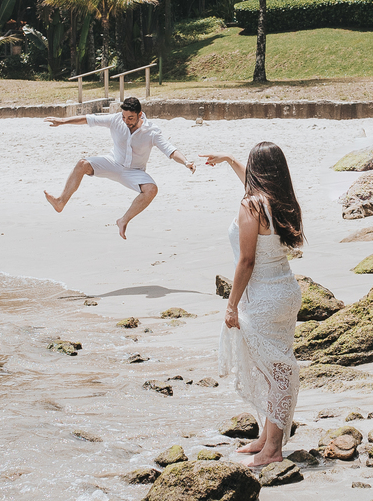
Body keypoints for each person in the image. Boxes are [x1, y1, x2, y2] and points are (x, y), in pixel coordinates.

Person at [201, 143, 303, 468]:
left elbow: (246, 260)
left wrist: (231, 305)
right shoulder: (281, 201)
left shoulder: (251, 205)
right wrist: (229, 159)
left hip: (263, 299)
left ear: (255, 170)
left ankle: (273, 449)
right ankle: (267, 437)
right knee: (275, 367)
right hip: (285, 293)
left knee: (277, 372)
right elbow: (254, 186)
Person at [43, 97, 196, 239]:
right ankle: (60, 201)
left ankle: (123, 220)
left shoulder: (152, 131)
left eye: (130, 118)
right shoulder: (116, 119)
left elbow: (170, 150)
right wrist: (62, 121)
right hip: (112, 163)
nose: (126, 121)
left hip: (134, 172)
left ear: (140, 114)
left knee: (151, 190)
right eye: (124, 117)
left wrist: (186, 162)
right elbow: (89, 119)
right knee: (82, 164)